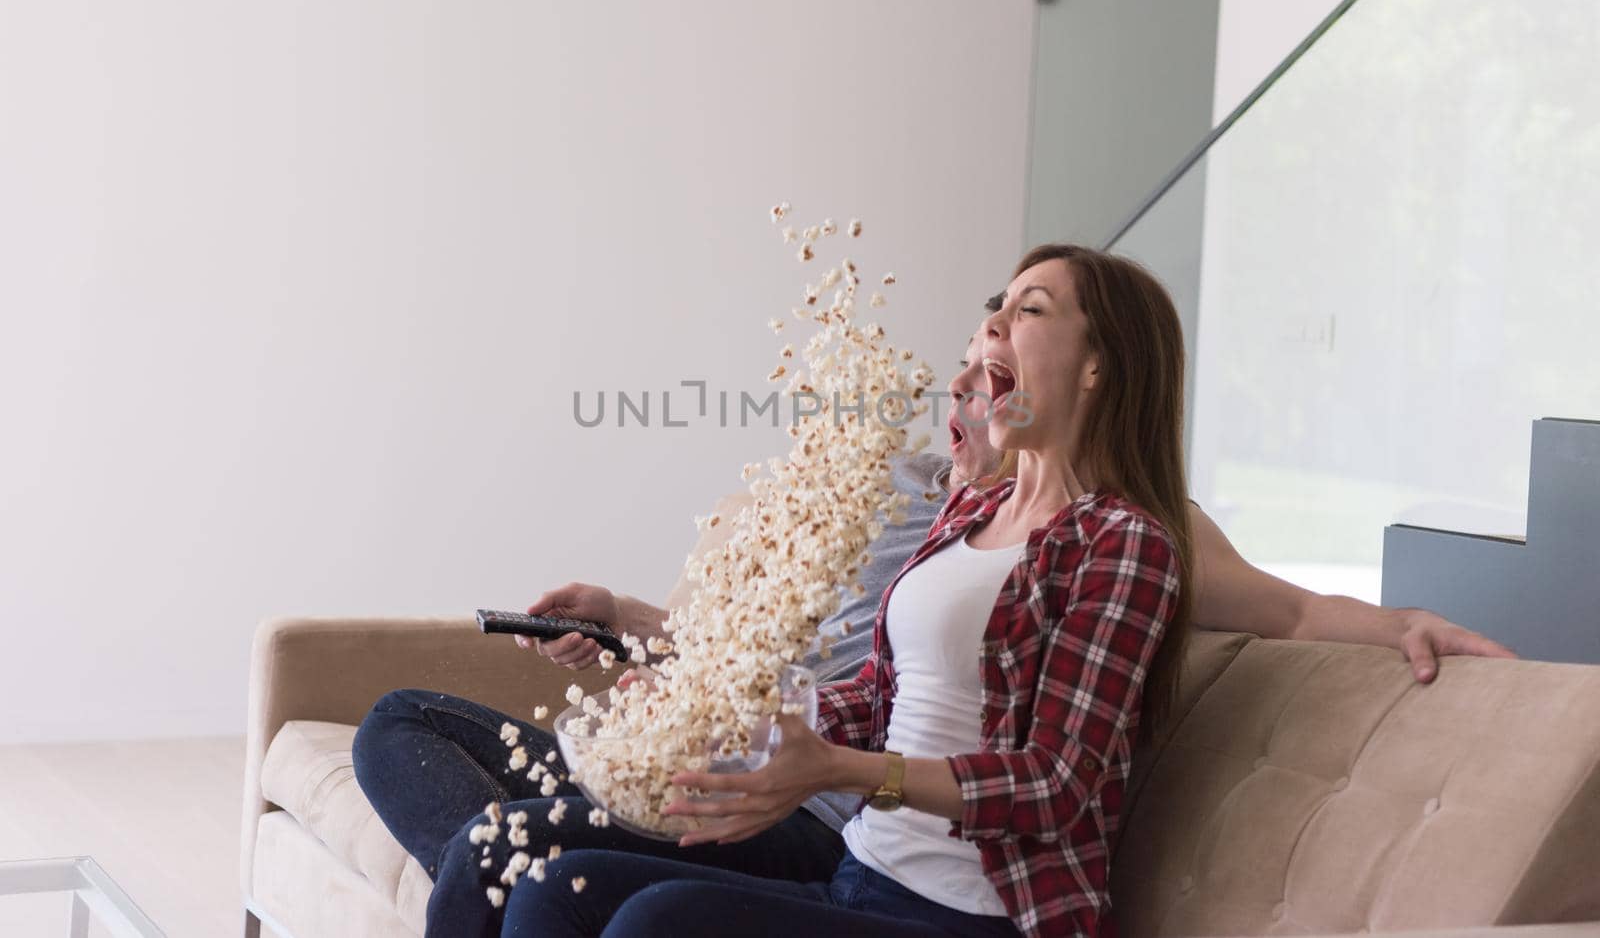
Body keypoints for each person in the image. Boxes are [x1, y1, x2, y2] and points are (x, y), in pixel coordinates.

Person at [354, 264, 1514, 938]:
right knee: (538, 872)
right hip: (862, 861)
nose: (984, 337)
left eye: (1023, 310)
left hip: (971, 914)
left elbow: (1059, 780)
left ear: (1099, 364)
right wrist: (751, 731)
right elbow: (868, 696)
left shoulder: (1125, 541)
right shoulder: (964, 518)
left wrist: (1395, 618)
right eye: (986, 318)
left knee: (645, 922)